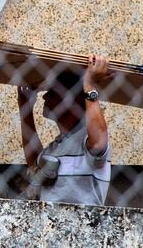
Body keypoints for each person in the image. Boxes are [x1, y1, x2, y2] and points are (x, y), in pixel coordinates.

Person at [17, 54, 114, 205]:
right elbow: (34, 164)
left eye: (53, 93)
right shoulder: (56, 146)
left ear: (73, 99)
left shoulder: (85, 139)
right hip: (51, 225)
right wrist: (25, 106)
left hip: (83, 224)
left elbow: (99, 143)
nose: (45, 98)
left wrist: (89, 85)